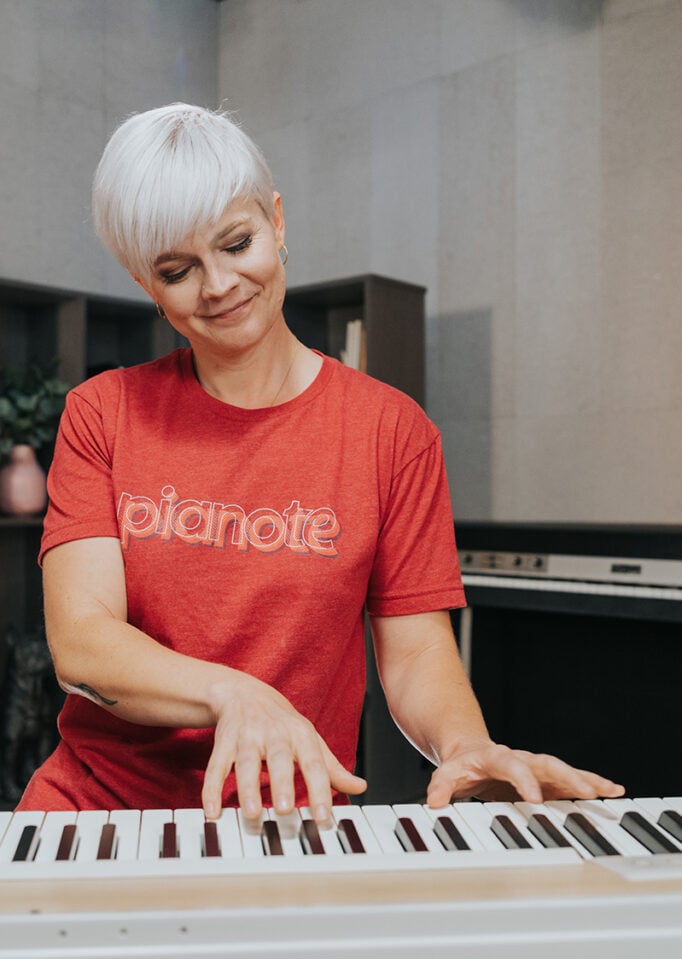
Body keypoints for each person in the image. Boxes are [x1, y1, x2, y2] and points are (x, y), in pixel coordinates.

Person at [17, 103, 623, 825]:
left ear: (277, 222)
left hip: (283, 820)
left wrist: (465, 744)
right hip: (97, 813)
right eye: (177, 270)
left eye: (236, 242)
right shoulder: (104, 412)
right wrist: (234, 692)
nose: (218, 286)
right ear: (147, 284)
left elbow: (416, 655)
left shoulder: (392, 432)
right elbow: (83, 644)